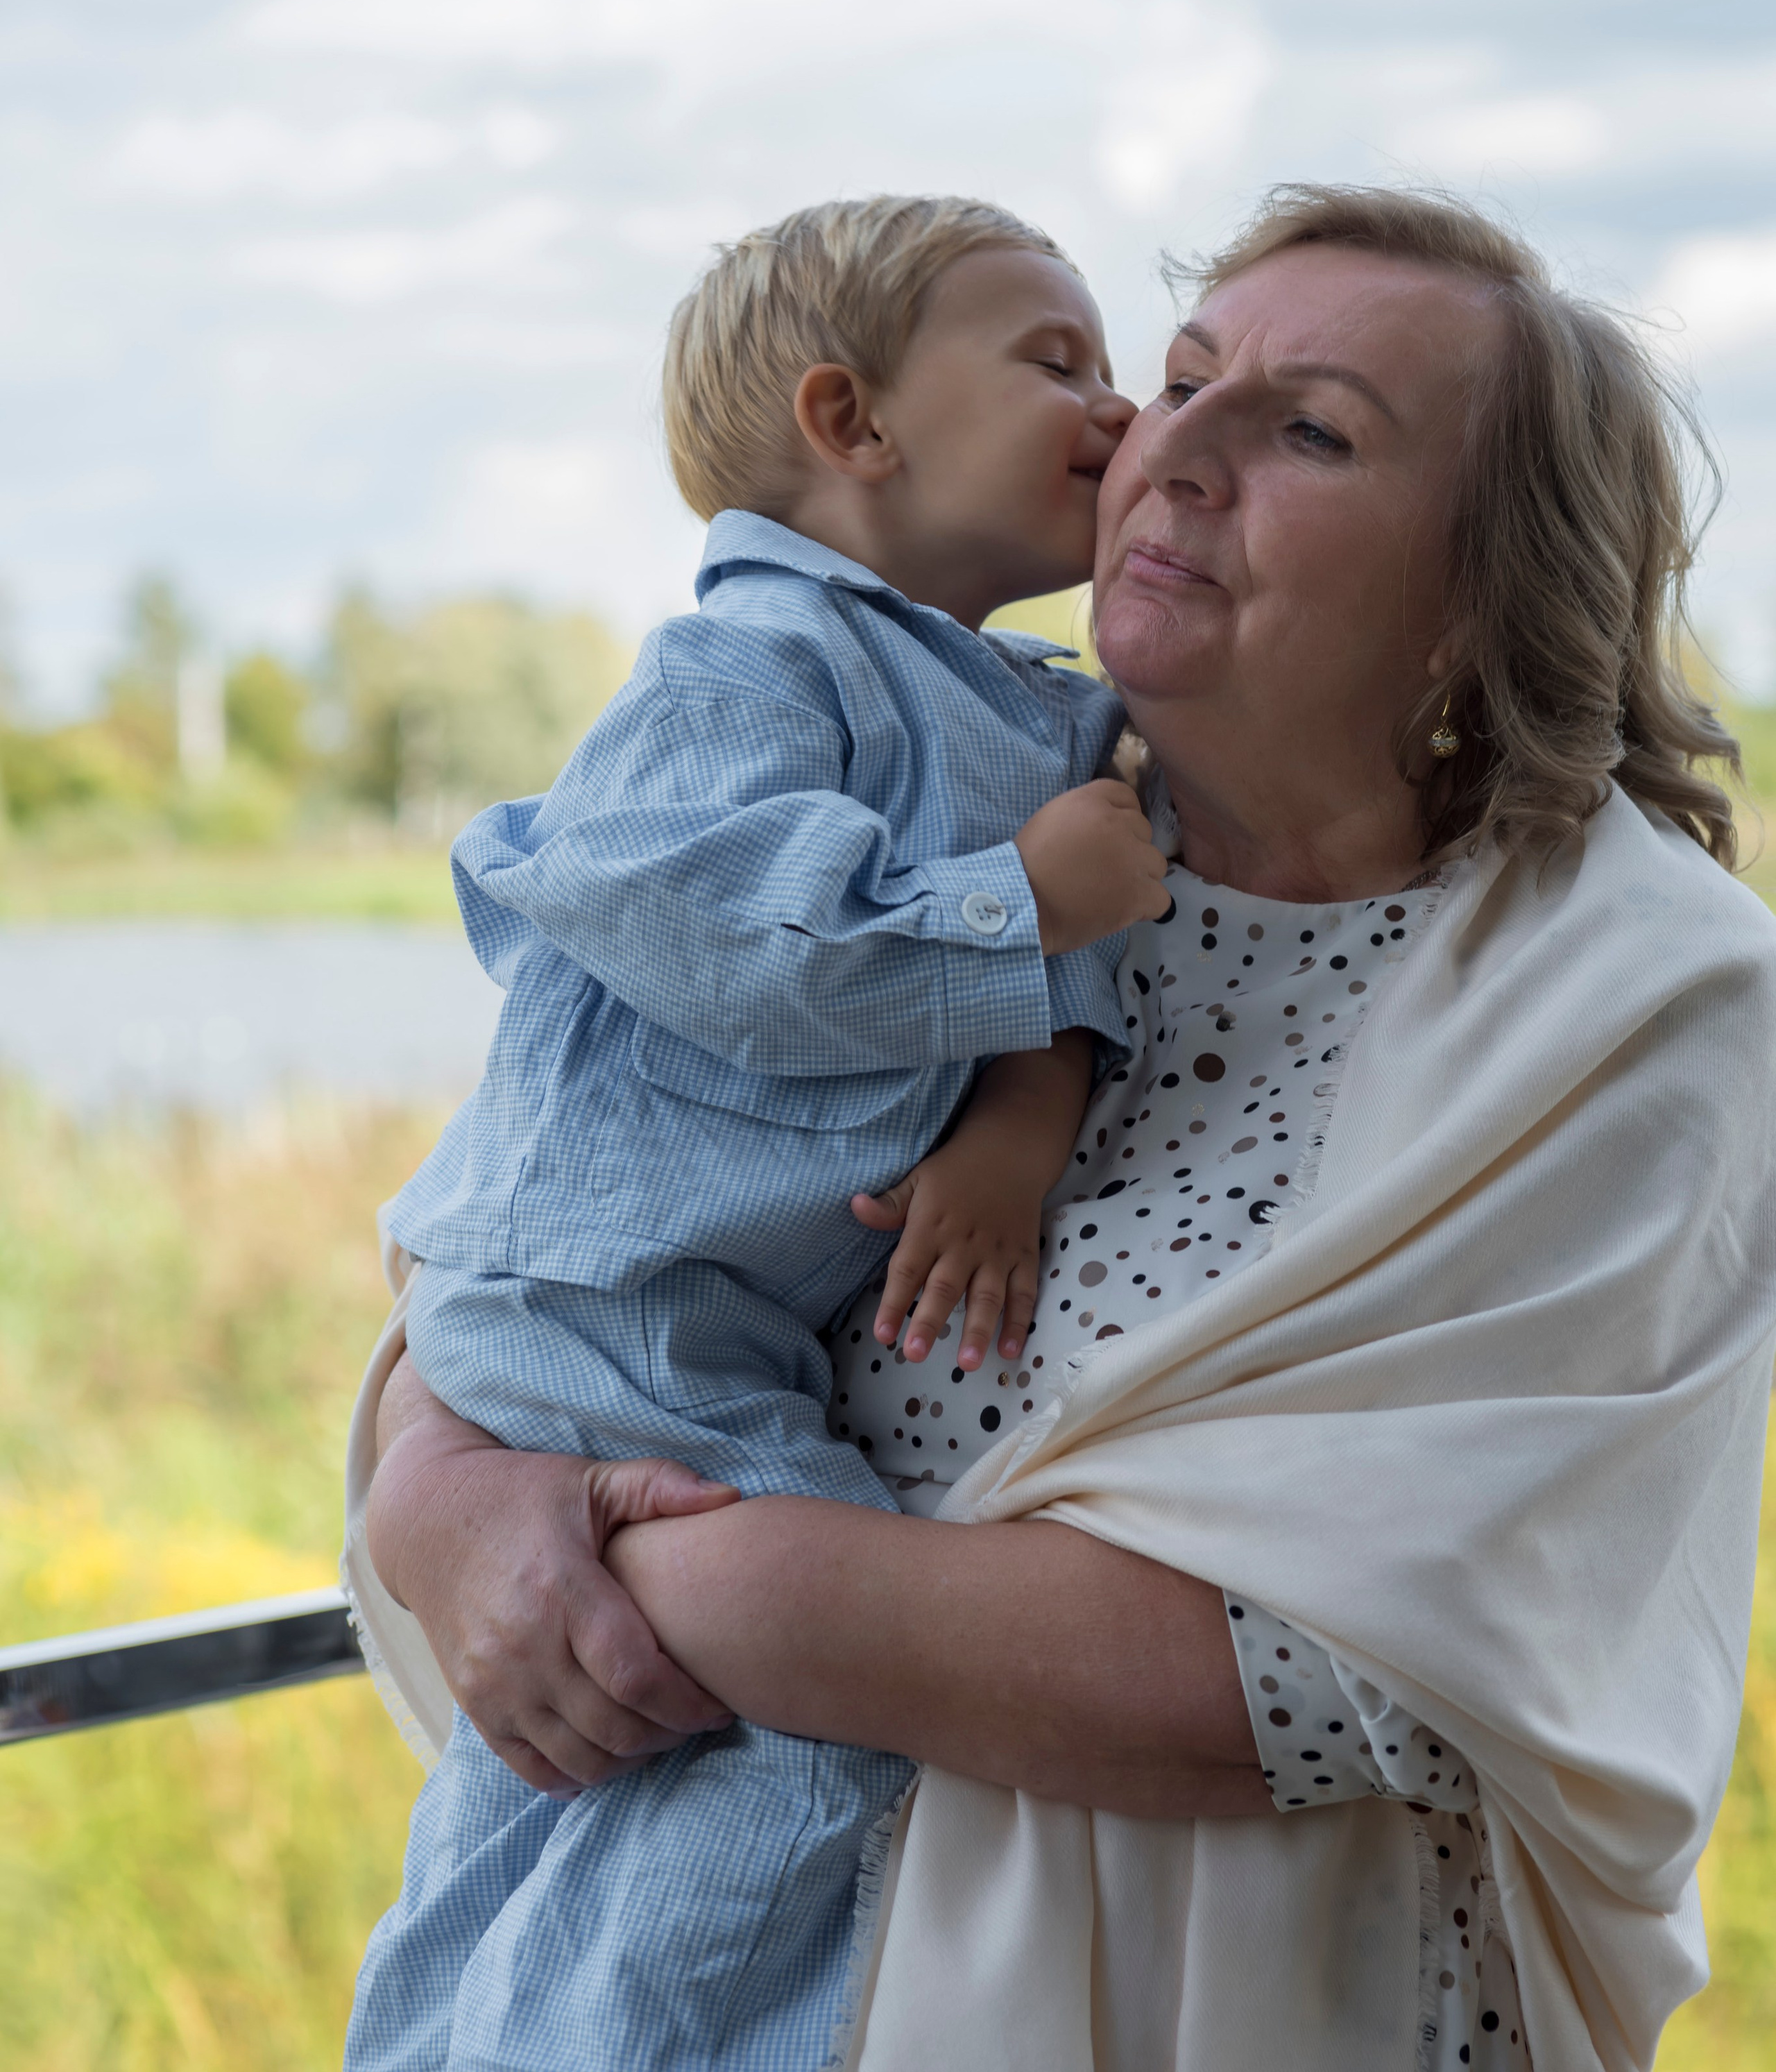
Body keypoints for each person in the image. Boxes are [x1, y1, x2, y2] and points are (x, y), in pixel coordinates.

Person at [357, 185, 1776, 2072]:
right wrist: (442, 1495)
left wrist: (626, 1573)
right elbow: (560, 1221)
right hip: (673, 1967)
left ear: (1481, 590)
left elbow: (1302, 1670)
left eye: (1313, 429)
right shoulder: (920, 818)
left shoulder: (1636, 993)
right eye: (1178, 378)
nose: (1164, 440)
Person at [344, 194, 1178, 2072]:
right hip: (601, 1291)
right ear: (851, 418)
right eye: (1060, 359)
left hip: (691, 1316)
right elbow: (698, 920)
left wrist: (1022, 1120)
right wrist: (1013, 908)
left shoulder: (1046, 724)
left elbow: (1093, 974)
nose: (1121, 413)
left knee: (544, 1785)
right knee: (798, 1710)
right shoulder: (752, 663)